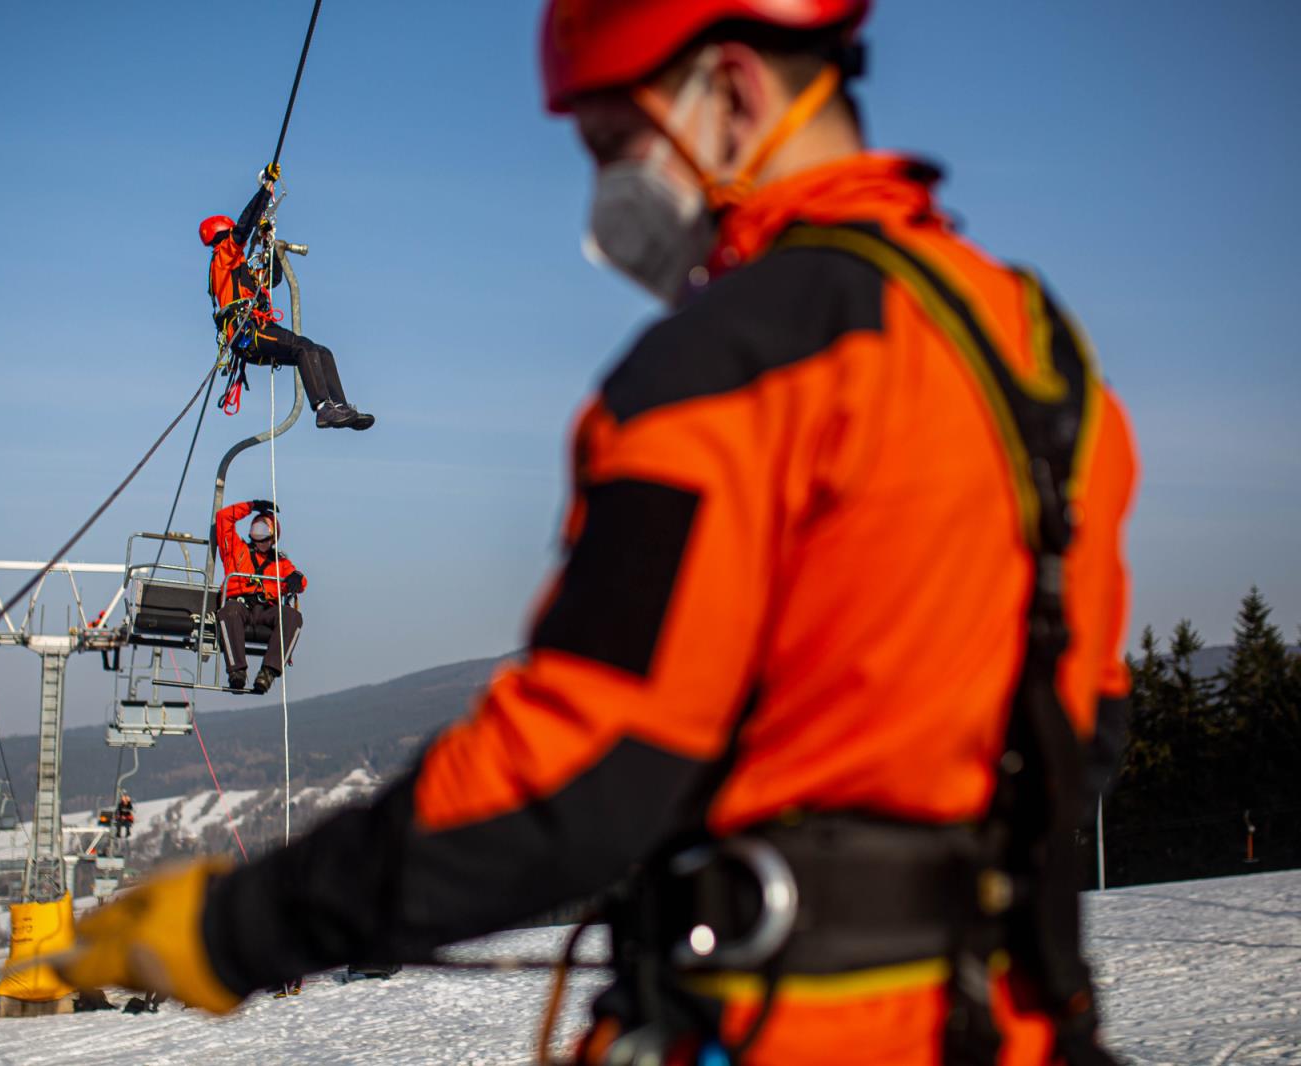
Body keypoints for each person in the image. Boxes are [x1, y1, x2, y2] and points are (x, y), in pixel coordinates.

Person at [63, 4, 1137, 1063]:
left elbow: (572, 771)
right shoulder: (1029, 347)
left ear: (731, 89)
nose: (604, 190)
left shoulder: (721, 370)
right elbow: (1084, 723)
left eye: (614, 142)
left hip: (786, 1026)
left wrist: (238, 925)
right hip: (1014, 1015)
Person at [202, 165, 374, 431]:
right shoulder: (223, 257)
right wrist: (265, 189)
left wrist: (270, 244)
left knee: (320, 351)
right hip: (247, 333)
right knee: (302, 347)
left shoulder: (240, 271)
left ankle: (339, 407)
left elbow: (272, 279)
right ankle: (322, 408)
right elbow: (244, 226)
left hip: (259, 328)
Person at [213, 498, 305, 696]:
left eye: (264, 530)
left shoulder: (280, 563)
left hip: (266, 611)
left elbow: (299, 581)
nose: (259, 535)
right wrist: (251, 506)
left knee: (292, 617)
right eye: (256, 528)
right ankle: (237, 672)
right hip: (239, 606)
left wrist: (297, 579)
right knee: (229, 612)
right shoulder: (236, 549)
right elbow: (223, 518)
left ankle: (268, 672)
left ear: (273, 537)